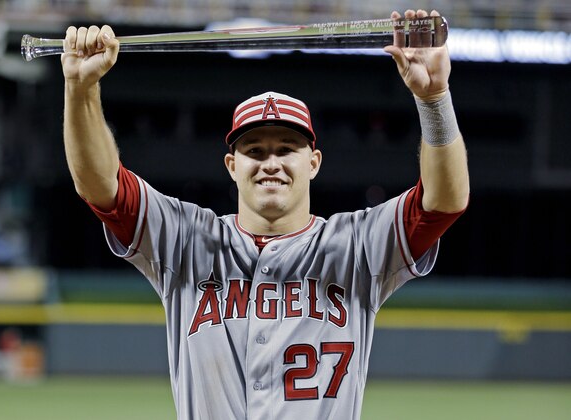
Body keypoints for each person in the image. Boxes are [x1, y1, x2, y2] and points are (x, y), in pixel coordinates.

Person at [61, 8, 469, 419]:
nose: (270, 162)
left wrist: (433, 100)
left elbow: (444, 201)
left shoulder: (358, 244)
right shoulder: (185, 239)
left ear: (313, 162)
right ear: (231, 166)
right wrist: (80, 90)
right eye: (254, 151)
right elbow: (101, 187)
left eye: (287, 149)